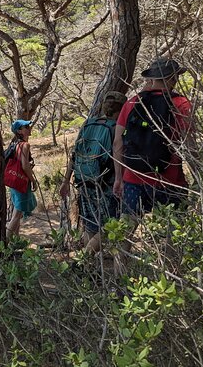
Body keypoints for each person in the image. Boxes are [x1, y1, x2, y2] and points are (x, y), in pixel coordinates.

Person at [112, 58, 193, 272]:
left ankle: (120, 278)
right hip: (169, 181)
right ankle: (169, 279)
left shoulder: (131, 103)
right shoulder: (182, 104)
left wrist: (119, 177)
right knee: (171, 235)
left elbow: (118, 142)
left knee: (126, 232)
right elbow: (190, 145)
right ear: (171, 78)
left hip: (133, 179)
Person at [59, 91, 127, 253]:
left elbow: (75, 154)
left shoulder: (88, 124)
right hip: (107, 184)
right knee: (111, 224)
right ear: (121, 109)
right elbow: (119, 157)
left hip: (84, 181)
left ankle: (91, 269)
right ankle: (83, 258)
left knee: (90, 227)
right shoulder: (117, 129)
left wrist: (65, 181)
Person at [6, 119, 38, 240]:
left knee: (16, 213)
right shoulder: (25, 145)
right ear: (19, 130)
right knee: (17, 215)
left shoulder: (15, 144)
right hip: (21, 182)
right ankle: (6, 242)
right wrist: (33, 180)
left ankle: (16, 240)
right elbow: (25, 166)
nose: (29, 128)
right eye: (26, 127)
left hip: (14, 182)